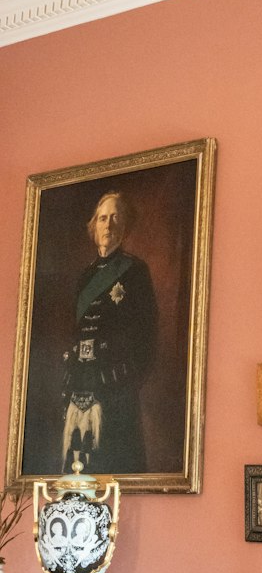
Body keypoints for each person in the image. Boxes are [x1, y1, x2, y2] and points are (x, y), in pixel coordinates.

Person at [61, 191, 158, 474]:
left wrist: (125, 380)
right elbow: (73, 332)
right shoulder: (85, 276)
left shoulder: (135, 271)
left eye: (115, 217)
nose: (108, 224)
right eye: (103, 218)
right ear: (94, 227)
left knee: (115, 463)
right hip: (81, 382)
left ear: (124, 225)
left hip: (115, 384)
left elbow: (146, 333)